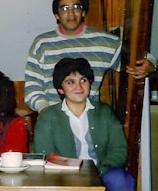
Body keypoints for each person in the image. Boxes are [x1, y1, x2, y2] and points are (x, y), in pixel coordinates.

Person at [24, 0, 156, 112]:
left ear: (83, 12)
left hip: (90, 120)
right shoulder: (42, 44)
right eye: (64, 9)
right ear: (57, 15)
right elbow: (32, 88)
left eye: (76, 7)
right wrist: (48, 112)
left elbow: (140, 58)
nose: (71, 13)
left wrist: (151, 63)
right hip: (53, 119)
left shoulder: (104, 42)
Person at [33, 58, 134, 191]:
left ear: (89, 84)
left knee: (120, 179)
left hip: (103, 173)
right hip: (64, 177)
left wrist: (100, 172)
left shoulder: (104, 112)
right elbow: (44, 155)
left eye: (83, 80)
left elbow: (119, 149)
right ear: (60, 89)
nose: (79, 87)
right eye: (70, 82)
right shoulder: (48, 117)